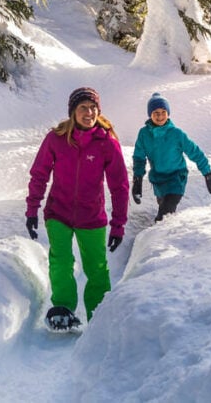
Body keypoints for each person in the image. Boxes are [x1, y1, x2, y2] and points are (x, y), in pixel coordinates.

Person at [25, 87, 129, 332]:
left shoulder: (106, 143)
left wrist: (118, 225)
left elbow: (120, 186)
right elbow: (39, 174)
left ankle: (99, 316)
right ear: (73, 111)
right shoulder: (56, 139)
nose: (89, 112)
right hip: (58, 212)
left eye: (93, 108)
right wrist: (32, 210)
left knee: (97, 268)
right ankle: (62, 308)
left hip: (92, 216)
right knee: (61, 261)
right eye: (83, 107)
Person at [132, 92, 211, 222]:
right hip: (158, 180)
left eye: (163, 112)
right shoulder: (144, 134)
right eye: (156, 113)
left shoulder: (176, 134)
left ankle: (158, 240)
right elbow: (139, 158)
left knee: (163, 216)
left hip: (176, 178)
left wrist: (208, 174)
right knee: (165, 211)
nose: (160, 116)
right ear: (150, 115)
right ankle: (171, 235)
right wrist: (137, 179)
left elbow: (195, 152)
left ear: (168, 113)